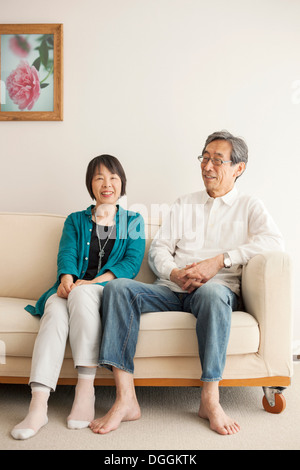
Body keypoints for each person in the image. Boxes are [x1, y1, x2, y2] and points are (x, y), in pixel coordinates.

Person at [89, 131, 284, 436]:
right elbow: (159, 249)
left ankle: (210, 399)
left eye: (217, 160)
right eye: (204, 157)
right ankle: (126, 399)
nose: (207, 166)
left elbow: (274, 242)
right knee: (117, 288)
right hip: (170, 288)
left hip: (216, 290)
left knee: (212, 292)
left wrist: (220, 261)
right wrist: (175, 271)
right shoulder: (184, 203)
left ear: (239, 168)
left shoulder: (249, 206)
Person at [11, 154, 145, 440]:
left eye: (113, 178)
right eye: (99, 178)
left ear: (122, 184)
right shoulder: (75, 220)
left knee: (83, 296)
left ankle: (85, 393)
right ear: (90, 185)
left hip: (104, 290)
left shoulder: (133, 220)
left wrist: (92, 282)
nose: (106, 184)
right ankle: (38, 405)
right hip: (72, 288)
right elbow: (67, 252)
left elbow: (131, 263)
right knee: (54, 312)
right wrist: (67, 279)